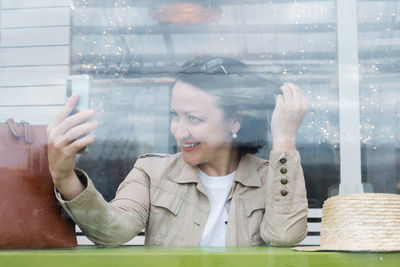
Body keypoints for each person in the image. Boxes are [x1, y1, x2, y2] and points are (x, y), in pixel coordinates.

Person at [47, 55, 308, 247]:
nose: (179, 131)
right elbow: (112, 231)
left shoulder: (269, 178)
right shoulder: (151, 172)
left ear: (234, 121)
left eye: (194, 118)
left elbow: (284, 236)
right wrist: (65, 178)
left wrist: (285, 139)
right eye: (175, 116)